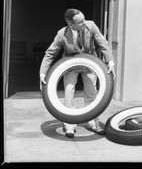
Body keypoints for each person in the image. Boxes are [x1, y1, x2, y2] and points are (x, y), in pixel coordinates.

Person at [39, 8, 115, 138]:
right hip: (70, 65)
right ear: (70, 24)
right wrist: (42, 74)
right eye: (80, 21)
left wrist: (110, 62)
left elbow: (103, 43)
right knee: (69, 93)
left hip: (91, 64)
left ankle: (94, 123)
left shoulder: (91, 26)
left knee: (92, 93)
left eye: (84, 19)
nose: (84, 22)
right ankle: (69, 126)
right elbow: (50, 53)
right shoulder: (62, 34)